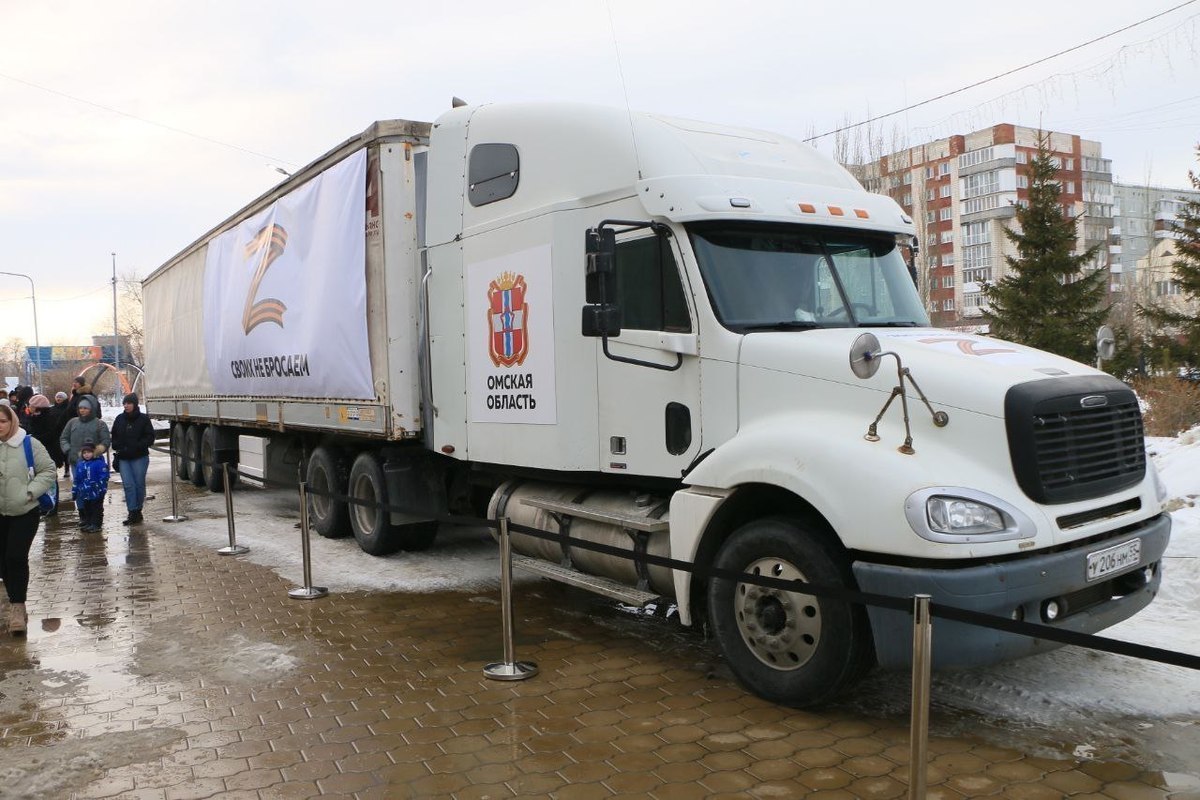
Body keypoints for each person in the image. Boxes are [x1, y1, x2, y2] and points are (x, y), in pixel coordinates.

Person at [0, 403, 56, 635]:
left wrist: (30, 492)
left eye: (2, 421)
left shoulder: (28, 443)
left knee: (15, 556)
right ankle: (16, 604)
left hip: (25, 511)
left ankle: (17, 606)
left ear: (11, 421)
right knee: (3, 561)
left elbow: (48, 470)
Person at [110, 393, 154, 525]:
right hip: (124, 457)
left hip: (139, 457)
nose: (126, 405)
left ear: (134, 404)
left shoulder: (143, 419)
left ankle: (138, 509)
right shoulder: (119, 419)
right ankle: (132, 511)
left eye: (129, 403)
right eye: (125, 403)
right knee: (128, 485)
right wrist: (118, 446)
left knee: (138, 484)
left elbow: (150, 437)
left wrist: (137, 446)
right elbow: (115, 436)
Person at [23, 395, 60, 517]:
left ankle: (52, 504)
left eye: (31, 405)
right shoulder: (33, 417)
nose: (29, 408)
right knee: (38, 478)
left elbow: (51, 434)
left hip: (49, 452)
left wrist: (33, 440)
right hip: (36, 452)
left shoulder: (49, 418)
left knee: (51, 479)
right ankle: (43, 504)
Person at [60, 396, 110, 474]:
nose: (82, 410)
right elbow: (64, 438)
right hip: (75, 460)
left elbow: (106, 441)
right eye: (80, 408)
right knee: (78, 484)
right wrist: (68, 450)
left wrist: (97, 450)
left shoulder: (99, 424)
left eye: (85, 408)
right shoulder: (72, 422)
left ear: (91, 409)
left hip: (94, 462)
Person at [72, 440, 109, 533]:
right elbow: (77, 478)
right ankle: (89, 523)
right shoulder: (81, 464)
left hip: (96, 491)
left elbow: (104, 477)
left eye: (89, 452)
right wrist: (75, 490)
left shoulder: (99, 463)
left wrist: (100, 488)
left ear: (94, 452)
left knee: (96, 509)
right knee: (87, 508)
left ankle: (96, 524)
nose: (87, 455)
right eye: (84, 453)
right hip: (85, 492)